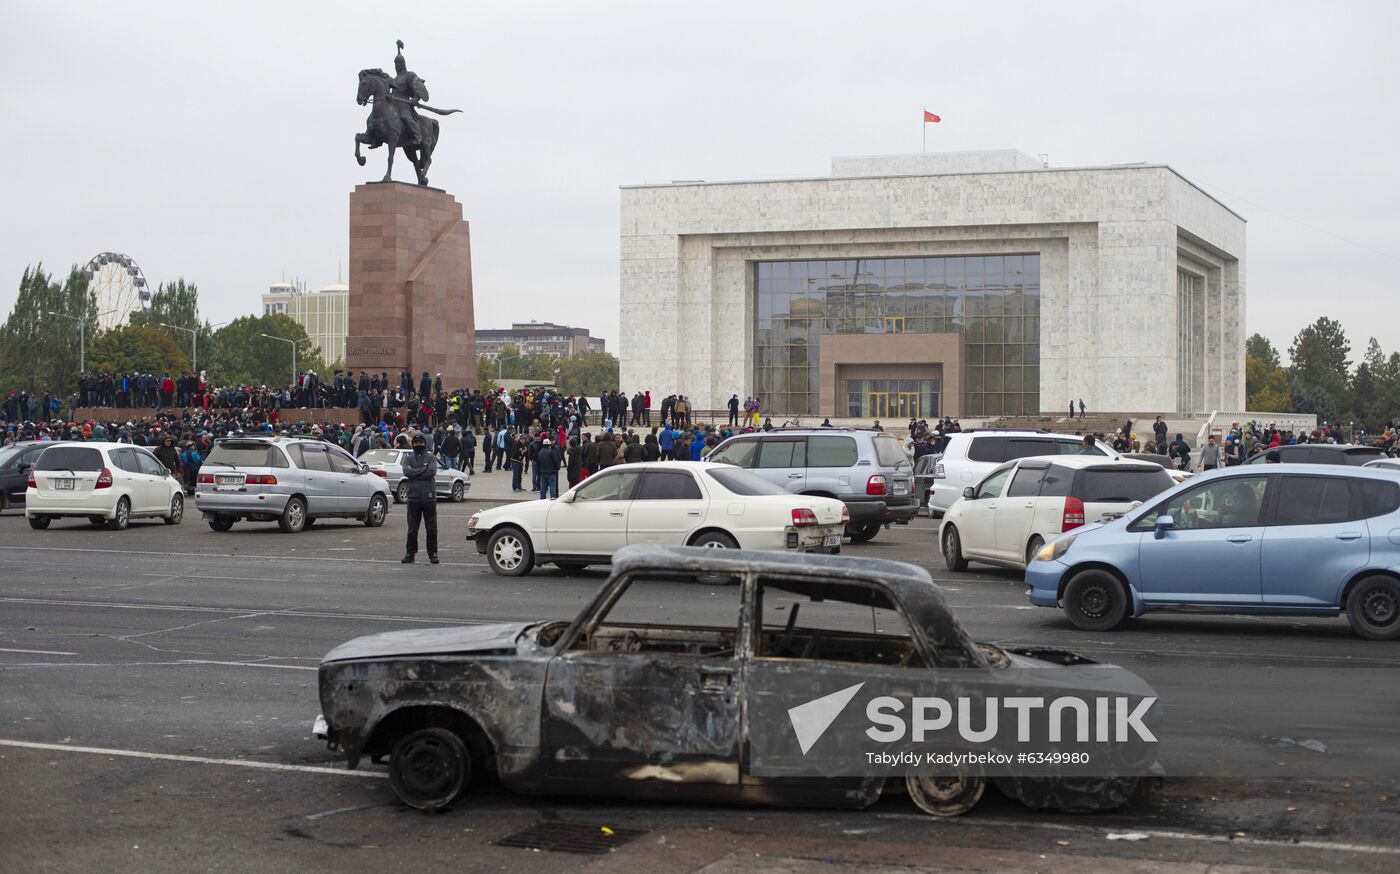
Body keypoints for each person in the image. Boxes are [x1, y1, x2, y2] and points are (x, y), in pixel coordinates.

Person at [401, 432, 439, 564]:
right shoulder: (408, 458)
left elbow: (432, 472)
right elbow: (406, 472)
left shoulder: (431, 457)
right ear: (413, 444)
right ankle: (410, 553)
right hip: (413, 498)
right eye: (416, 443)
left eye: (421, 443)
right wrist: (423, 469)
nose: (419, 445)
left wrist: (415, 472)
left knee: (432, 529)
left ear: (425, 444)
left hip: (429, 498)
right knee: (412, 529)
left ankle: (433, 553)